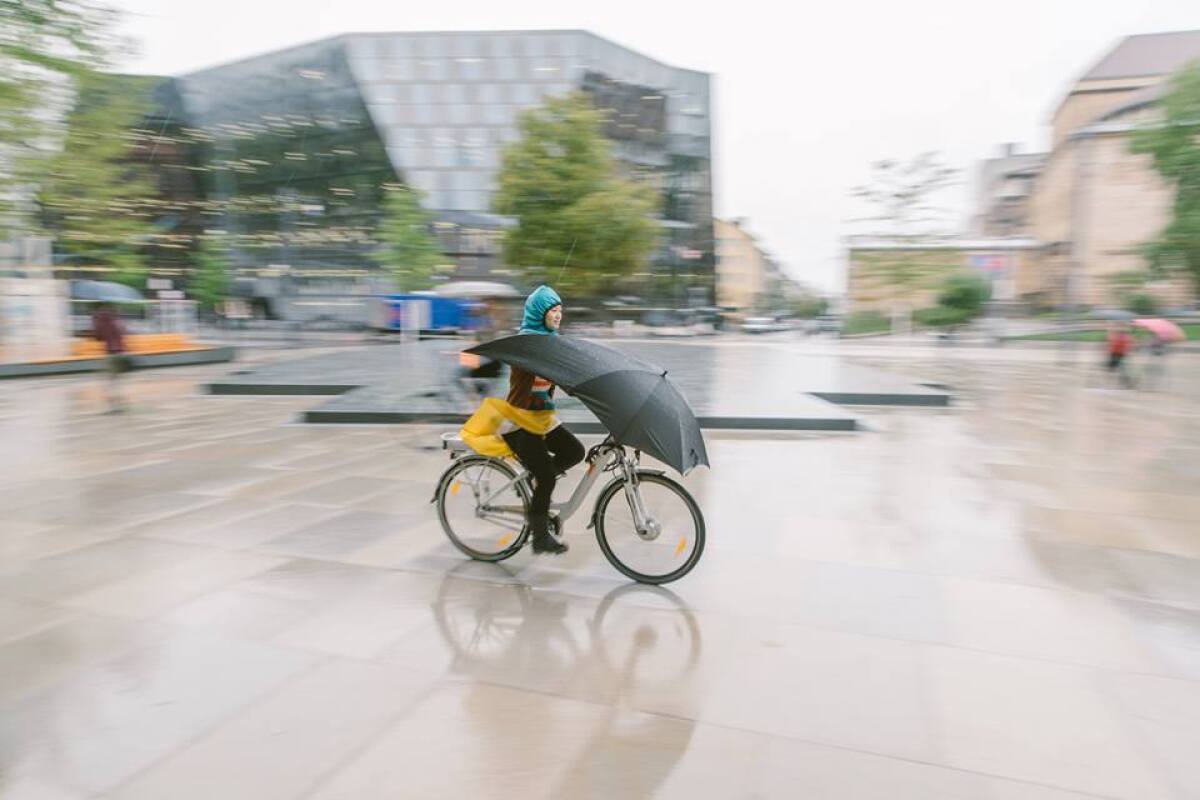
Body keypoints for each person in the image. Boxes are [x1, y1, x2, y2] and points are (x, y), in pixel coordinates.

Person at [500, 285, 584, 555]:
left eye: (561, 311)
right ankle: (539, 537)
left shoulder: (548, 341)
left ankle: (535, 480)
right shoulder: (526, 344)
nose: (559, 316)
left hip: (541, 418)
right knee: (547, 477)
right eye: (553, 311)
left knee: (575, 451)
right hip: (520, 421)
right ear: (540, 312)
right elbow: (525, 388)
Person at [91, 302, 130, 412]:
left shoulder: (102, 322)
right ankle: (120, 403)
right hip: (121, 353)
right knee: (116, 380)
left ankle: (114, 405)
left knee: (110, 381)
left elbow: (98, 337)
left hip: (111, 354)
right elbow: (124, 334)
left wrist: (95, 322)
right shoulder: (117, 321)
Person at [1105, 323, 1135, 388]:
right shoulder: (1124, 336)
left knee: (1115, 368)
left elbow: (1113, 344)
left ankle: (1125, 382)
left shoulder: (1120, 337)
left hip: (1117, 354)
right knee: (1117, 368)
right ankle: (1125, 382)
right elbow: (1112, 343)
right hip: (1118, 354)